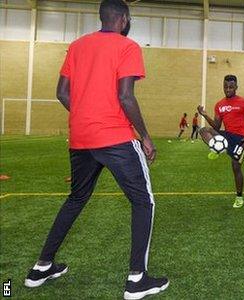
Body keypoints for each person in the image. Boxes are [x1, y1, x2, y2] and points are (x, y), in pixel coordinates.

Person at [23, 1, 168, 299]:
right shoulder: (128, 47)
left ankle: (41, 267)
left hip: (80, 138)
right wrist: (146, 136)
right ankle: (136, 279)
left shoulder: (77, 46)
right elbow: (125, 96)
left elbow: (62, 93)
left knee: (76, 198)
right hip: (115, 138)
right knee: (144, 202)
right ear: (125, 19)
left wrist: (87, 115)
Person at [197, 75, 244, 208]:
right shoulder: (219, 105)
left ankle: (239, 197)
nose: (228, 89)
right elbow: (216, 126)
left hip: (241, 139)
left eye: (231, 87)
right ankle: (217, 148)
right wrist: (204, 114)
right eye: (225, 86)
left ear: (236, 87)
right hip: (227, 135)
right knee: (203, 131)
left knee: (236, 168)